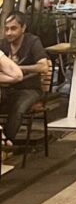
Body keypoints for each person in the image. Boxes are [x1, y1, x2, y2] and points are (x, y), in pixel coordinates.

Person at [0, 12, 50, 149]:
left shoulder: (32, 42)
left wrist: (17, 68)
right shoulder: (3, 44)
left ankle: (6, 143)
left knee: (18, 107)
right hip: (7, 88)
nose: (9, 33)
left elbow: (43, 66)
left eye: (13, 28)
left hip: (30, 89)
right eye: (6, 28)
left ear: (23, 28)